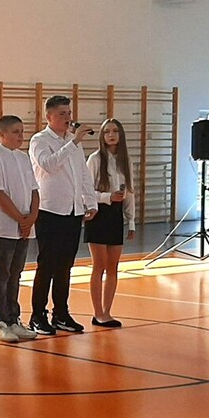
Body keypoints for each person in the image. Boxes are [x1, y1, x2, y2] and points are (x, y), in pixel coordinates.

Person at [28, 95, 96, 335]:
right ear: (49, 117)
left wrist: (90, 201)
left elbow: (83, 173)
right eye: (62, 114)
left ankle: (61, 313)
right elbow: (49, 164)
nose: (67, 118)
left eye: (69, 113)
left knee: (65, 266)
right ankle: (37, 315)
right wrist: (74, 142)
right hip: (50, 210)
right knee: (46, 265)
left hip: (73, 210)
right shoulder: (39, 140)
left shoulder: (73, 142)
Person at [0, 116, 39, 343]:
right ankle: (1, 322)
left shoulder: (23, 158)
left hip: (25, 225)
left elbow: (34, 190)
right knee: (3, 273)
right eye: (15, 132)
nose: (20, 136)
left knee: (16, 273)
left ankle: (14, 319)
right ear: (2, 134)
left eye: (22, 131)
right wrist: (20, 219)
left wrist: (31, 217)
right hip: (5, 226)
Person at [85, 118, 135, 327]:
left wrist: (131, 221)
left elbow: (130, 191)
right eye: (107, 132)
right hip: (98, 213)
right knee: (100, 265)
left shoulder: (126, 160)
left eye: (115, 131)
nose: (111, 135)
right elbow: (86, 191)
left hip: (116, 214)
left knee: (113, 266)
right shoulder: (95, 159)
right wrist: (107, 197)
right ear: (102, 136)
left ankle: (107, 311)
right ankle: (97, 312)